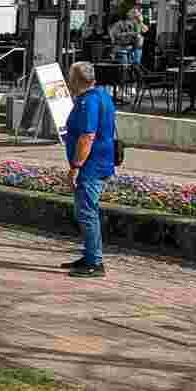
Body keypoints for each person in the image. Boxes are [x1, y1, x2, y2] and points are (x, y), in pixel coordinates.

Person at [62, 60, 117, 278]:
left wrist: (75, 166)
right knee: (86, 211)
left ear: (76, 80)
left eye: (70, 76)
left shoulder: (88, 102)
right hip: (100, 161)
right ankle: (89, 255)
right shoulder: (102, 95)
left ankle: (95, 262)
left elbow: (87, 137)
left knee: (86, 212)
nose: (68, 80)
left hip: (90, 165)